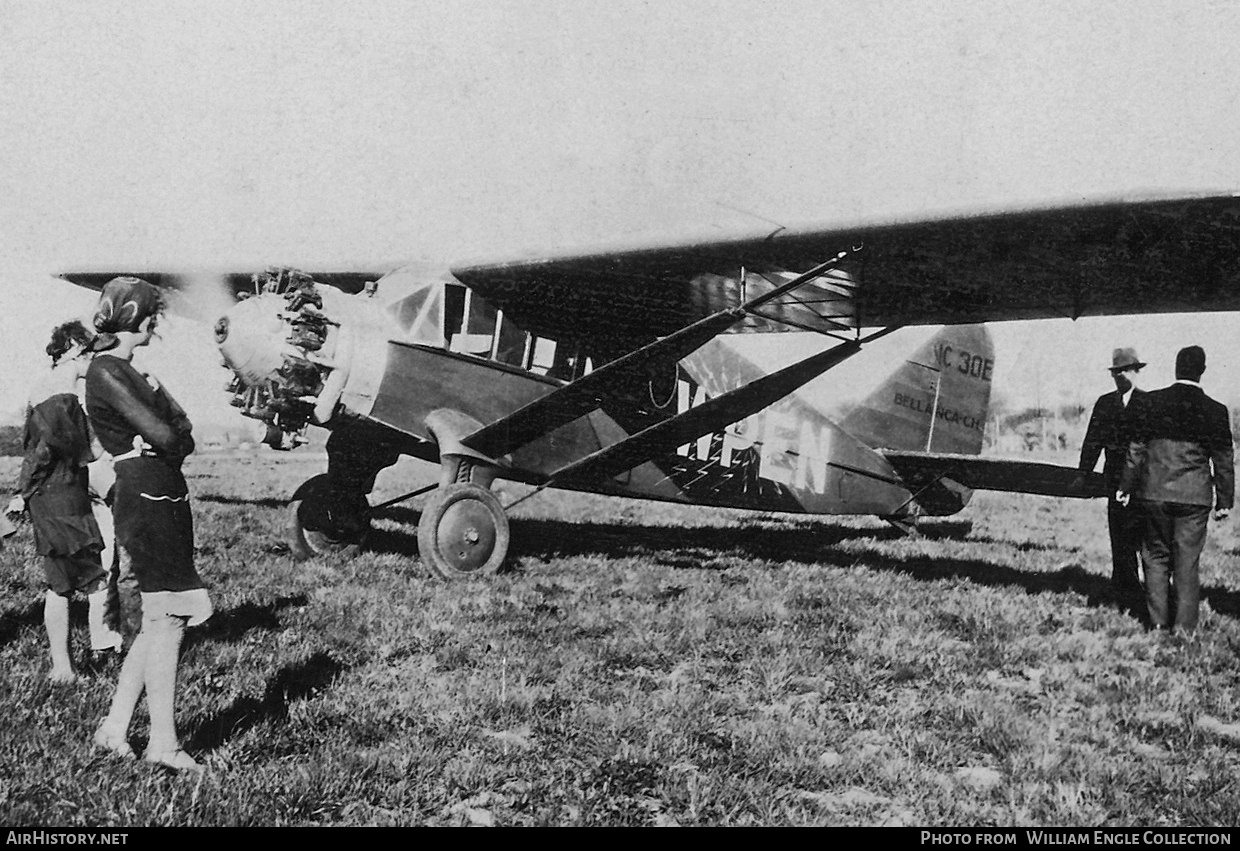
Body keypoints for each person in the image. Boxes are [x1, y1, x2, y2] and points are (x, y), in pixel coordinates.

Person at [85, 277, 211, 772]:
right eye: (154, 314)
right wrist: (166, 436)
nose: (158, 322)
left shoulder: (133, 372)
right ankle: (164, 744)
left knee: (161, 619)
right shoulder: (107, 371)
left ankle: (114, 728)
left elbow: (183, 433)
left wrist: (168, 436)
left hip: (163, 492)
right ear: (138, 318)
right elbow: (170, 433)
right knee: (168, 617)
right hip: (146, 495)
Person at [8, 320, 123, 683]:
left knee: (66, 582)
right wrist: (21, 495)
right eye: (93, 351)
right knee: (80, 580)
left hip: (59, 493)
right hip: (60, 495)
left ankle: (72, 664)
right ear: (75, 348)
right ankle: (72, 663)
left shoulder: (47, 387)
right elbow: (64, 452)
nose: (96, 359)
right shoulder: (63, 395)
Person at [1118, 345, 1234, 634]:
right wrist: (1224, 501)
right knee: (1186, 562)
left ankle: (1157, 624)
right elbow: (1223, 459)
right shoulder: (1216, 410)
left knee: (1155, 557)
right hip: (1194, 498)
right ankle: (1184, 630)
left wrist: (1125, 486)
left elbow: (1136, 449)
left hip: (1153, 492)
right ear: (1202, 371)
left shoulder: (1150, 402)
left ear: (1176, 368)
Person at [1078, 347, 1147, 619]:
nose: (1121, 376)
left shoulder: (1148, 402)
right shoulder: (1105, 403)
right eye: (1116, 372)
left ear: (1136, 371)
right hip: (1113, 479)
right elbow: (1092, 439)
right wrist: (1083, 472)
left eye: (1126, 370)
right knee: (1119, 536)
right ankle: (1124, 589)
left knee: (1141, 537)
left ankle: (1147, 591)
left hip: (1142, 483)